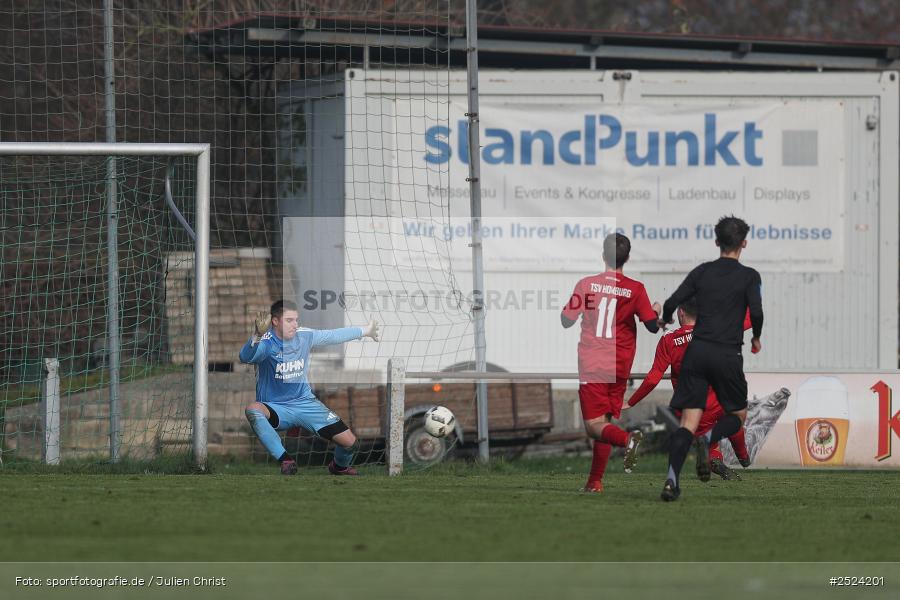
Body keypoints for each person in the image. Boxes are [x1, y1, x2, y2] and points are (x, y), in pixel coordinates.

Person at [656, 216, 763, 501]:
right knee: (738, 415)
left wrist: (666, 319)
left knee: (687, 423)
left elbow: (671, 302)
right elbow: (757, 313)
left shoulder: (702, 272)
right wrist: (756, 337)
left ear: (716, 241)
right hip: (727, 353)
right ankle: (709, 439)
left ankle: (671, 480)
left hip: (698, 353)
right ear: (744, 243)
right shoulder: (749, 276)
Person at [561, 233, 661, 493]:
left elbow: (566, 320)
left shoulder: (586, 285)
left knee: (594, 427)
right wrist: (657, 311)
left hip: (594, 362)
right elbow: (652, 326)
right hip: (619, 365)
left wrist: (574, 309)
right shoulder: (636, 289)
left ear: (602, 255)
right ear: (627, 258)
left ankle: (628, 440)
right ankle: (594, 482)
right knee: (603, 422)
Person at [239, 299, 380, 475]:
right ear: (275, 321)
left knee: (350, 442)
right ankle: (286, 460)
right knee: (253, 409)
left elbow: (333, 335)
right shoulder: (266, 342)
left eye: (296, 320)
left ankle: (339, 467)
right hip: (275, 407)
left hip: (305, 403)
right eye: (289, 320)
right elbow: (245, 357)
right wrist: (256, 336)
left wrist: (365, 330)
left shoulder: (304, 336)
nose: (295, 325)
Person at [622, 297, 752, 481]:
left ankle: (712, 459)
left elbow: (653, 379)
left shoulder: (668, 340)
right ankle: (743, 456)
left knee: (707, 440)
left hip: (693, 407)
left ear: (681, 312)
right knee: (734, 420)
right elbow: (749, 317)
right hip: (720, 401)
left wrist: (631, 401)